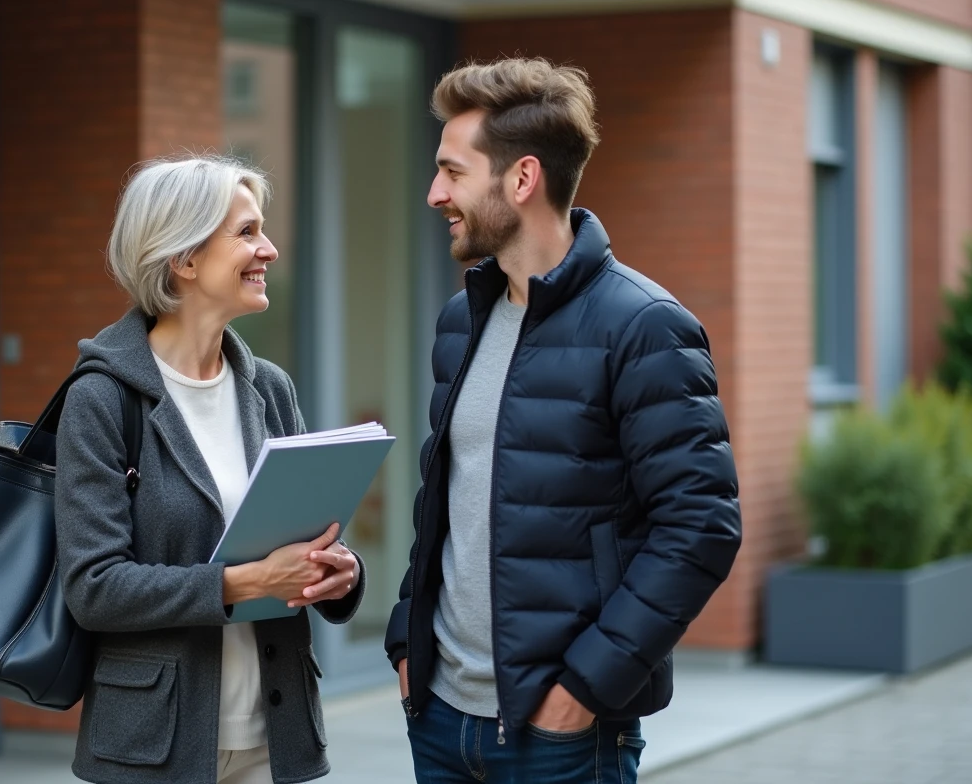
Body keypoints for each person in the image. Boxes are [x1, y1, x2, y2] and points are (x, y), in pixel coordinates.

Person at [385, 57, 742, 783]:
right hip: (441, 719)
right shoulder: (462, 321)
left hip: (560, 737)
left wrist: (585, 688)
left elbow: (701, 524)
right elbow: (448, 501)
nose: (435, 194)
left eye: (453, 172)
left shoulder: (644, 326)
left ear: (521, 180)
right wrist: (405, 640)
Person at [55, 155, 364, 784]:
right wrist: (243, 583)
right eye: (246, 232)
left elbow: (305, 539)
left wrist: (340, 571)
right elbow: (94, 587)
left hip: (274, 736)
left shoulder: (270, 389)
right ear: (184, 258)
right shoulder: (102, 397)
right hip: (153, 747)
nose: (269, 249)